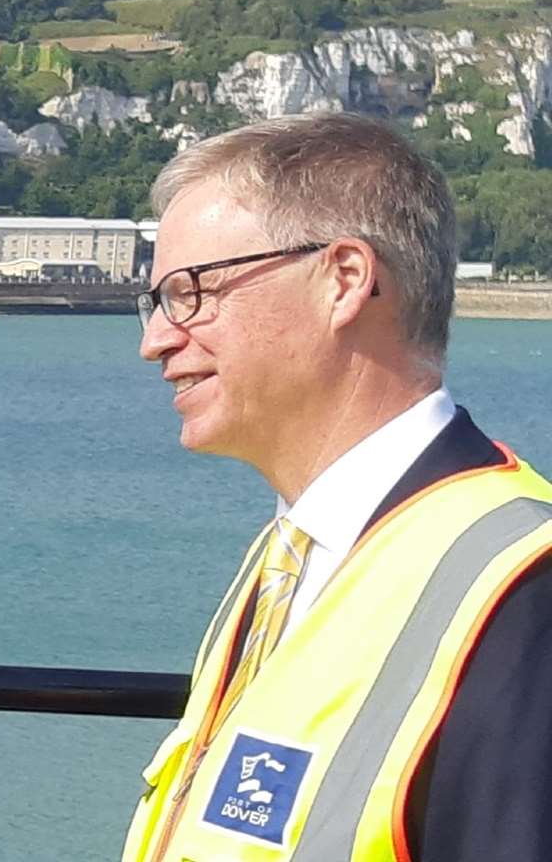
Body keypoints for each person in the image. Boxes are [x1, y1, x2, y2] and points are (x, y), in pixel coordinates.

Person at [123, 112, 552, 861]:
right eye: (158, 301)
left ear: (345, 280)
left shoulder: (522, 586)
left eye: (191, 292)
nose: (156, 338)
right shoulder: (295, 554)